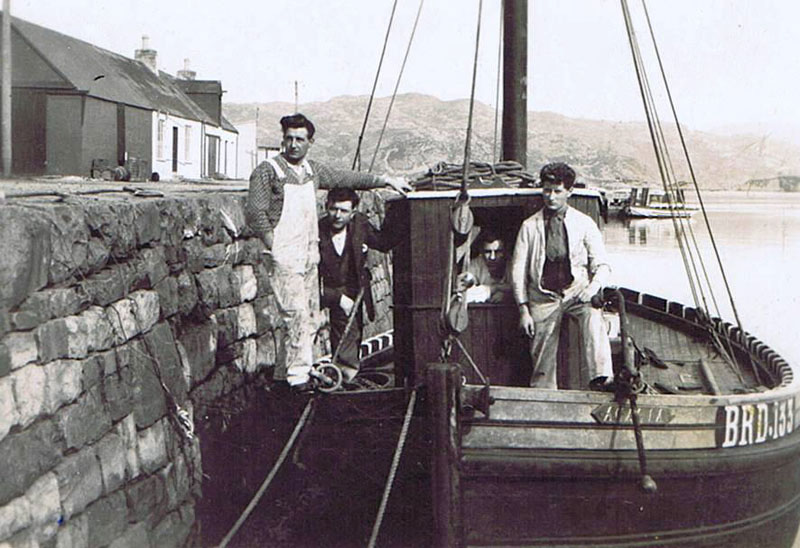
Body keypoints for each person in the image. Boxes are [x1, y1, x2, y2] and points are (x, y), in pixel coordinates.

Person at [245, 113, 410, 392]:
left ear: (310, 142)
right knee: (295, 314)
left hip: (309, 254)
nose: (293, 144)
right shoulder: (268, 170)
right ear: (282, 140)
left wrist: (385, 180)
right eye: (289, 139)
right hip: (286, 253)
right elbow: (255, 211)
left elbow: (347, 177)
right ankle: (299, 381)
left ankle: (285, 374)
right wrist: (274, 243)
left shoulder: (312, 171)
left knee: (305, 316)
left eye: (300, 139)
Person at [510, 162, 613, 389]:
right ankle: (544, 396)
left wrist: (592, 288)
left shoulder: (584, 223)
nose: (551, 197)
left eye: (557, 191)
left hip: (576, 293)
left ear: (569, 192)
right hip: (543, 298)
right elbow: (518, 271)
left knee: (594, 316)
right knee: (542, 360)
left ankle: (602, 378)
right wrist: (523, 310)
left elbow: (603, 264)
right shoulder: (529, 226)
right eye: (547, 190)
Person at [318, 188, 398, 383]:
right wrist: (336, 298)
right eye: (333, 209)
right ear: (326, 207)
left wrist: (396, 211)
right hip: (321, 291)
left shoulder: (360, 224)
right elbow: (306, 279)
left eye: (344, 211)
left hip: (353, 289)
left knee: (351, 333)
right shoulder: (316, 230)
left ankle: (346, 377)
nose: (337, 215)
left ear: (353, 212)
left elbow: (383, 242)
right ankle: (304, 378)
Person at [464, 230, 512, 304]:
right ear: (481, 252)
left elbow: (519, 289)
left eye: (497, 252)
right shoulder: (476, 264)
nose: (492, 257)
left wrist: (507, 296)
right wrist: (494, 289)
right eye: (488, 252)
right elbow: (465, 292)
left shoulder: (512, 265)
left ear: (505, 252)